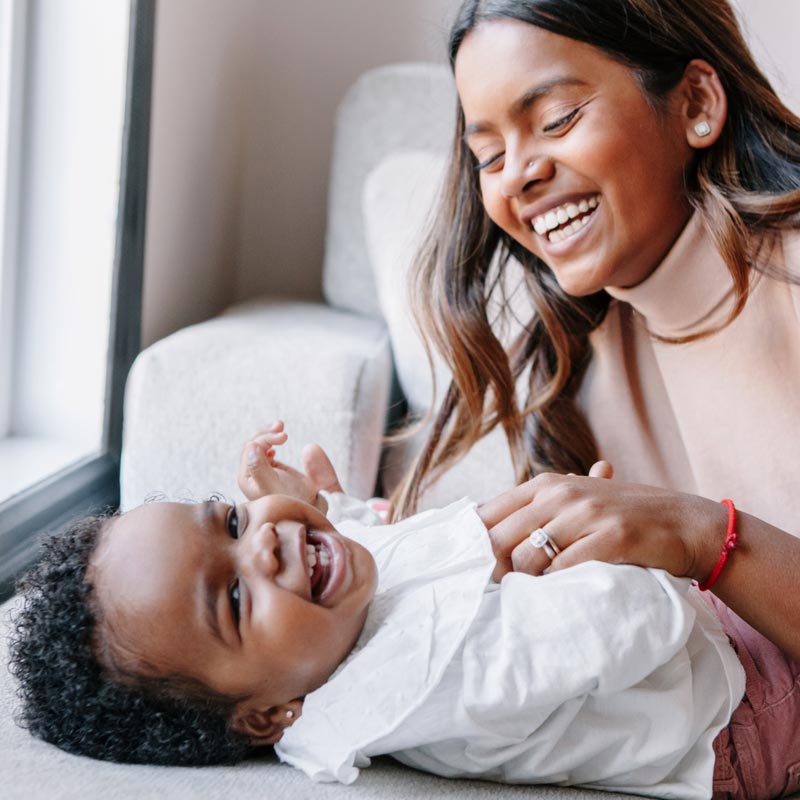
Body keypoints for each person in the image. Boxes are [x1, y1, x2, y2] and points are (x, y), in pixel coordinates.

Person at [384, 3, 800, 796]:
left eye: (558, 118)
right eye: (488, 152)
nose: (518, 174)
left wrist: (707, 538)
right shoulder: (575, 375)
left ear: (697, 105)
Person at [9, 426, 759, 799]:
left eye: (231, 522)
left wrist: (326, 507)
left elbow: (396, 563)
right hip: (740, 705)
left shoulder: (320, 636)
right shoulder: (418, 685)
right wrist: (601, 537)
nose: (264, 544)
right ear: (269, 717)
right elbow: (640, 623)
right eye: (234, 600)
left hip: (696, 640)